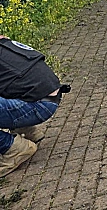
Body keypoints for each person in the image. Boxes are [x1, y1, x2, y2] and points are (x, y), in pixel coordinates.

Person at [0, 36, 70, 177]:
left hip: (37, 105)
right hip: (50, 96)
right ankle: (26, 129)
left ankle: (12, 148)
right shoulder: (3, 42)